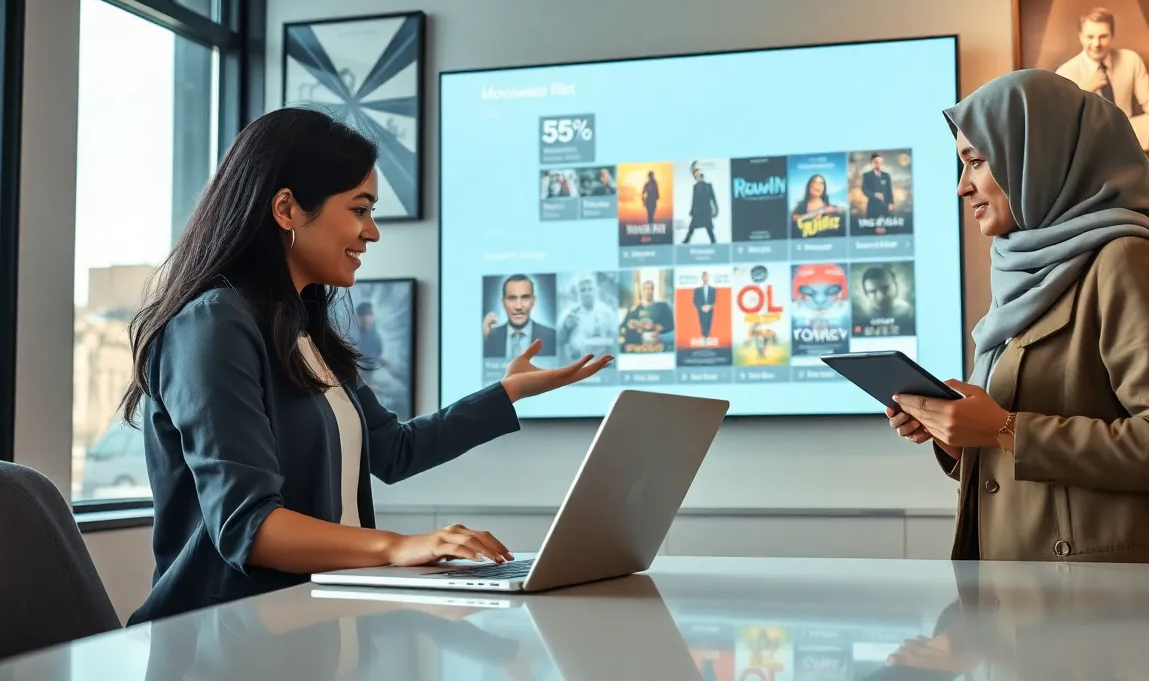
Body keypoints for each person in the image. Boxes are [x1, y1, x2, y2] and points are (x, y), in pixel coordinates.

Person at [119, 108, 612, 625]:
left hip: (319, 623)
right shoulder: (212, 325)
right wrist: (398, 546)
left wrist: (508, 393)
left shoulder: (304, 333)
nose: (372, 232)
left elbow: (395, 450)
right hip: (222, 636)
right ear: (287, 209)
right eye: (360, 209)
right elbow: (250, 527)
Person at [888, 69, 1149, 567]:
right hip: (1024, 592)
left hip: (1109, 600)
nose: (962, 187)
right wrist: (957, 432)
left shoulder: (1127, 260)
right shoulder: (1027, 272)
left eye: (976, 162)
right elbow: (1025, 456)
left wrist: (1003, 428)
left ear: (1038, 155)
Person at [1054, 7, 1149, 151]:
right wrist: (1083, 91)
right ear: (1080, 37)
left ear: (1112, 35)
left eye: (1103, 36)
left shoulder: (1130, 60)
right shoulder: (1066, 72)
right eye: (1090, 37)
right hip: (1090, 142)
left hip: (1127, 132)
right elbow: (1062, 123)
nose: (1097, 44)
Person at [482, 274, 557, 358]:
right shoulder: (488, 338)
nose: (519, 306)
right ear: (503, 303)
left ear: (533, 301)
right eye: (512, 298)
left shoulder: (553, 337)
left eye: (525, 298)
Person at [682, 162, 719, 244]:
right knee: (692, 228)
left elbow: (713, 199)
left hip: (706, 211)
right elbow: (694, 200)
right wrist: (692, 210)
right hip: (698, 211)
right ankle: (686, 241)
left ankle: (714, 242)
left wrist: (716, 210)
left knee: (709, 228)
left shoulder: (708, 186)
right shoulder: (695, 187)